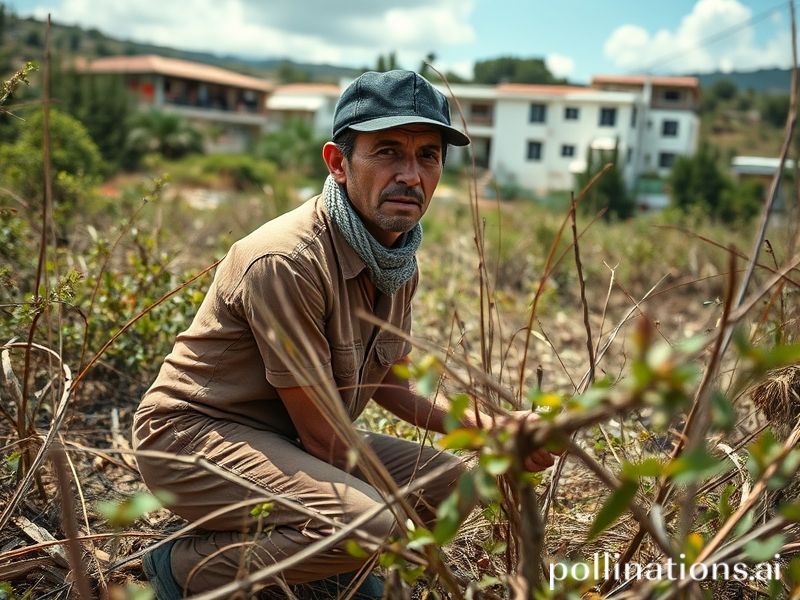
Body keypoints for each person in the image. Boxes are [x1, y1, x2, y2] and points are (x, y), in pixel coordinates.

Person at [133, 69, 556, 599]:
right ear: (338, 163)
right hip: (195, 440)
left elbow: (390, 380)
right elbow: (323, 439)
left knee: (451, 483)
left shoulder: (394, 257)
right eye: (387, 152)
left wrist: (489, 427)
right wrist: (387, 525)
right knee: (368, 524)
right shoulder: (286, 259)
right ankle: (182, 567)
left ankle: (321, 566)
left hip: (282, 437)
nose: (411, 174)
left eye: (428, 154)